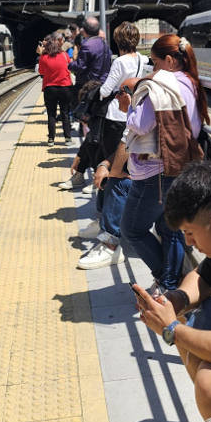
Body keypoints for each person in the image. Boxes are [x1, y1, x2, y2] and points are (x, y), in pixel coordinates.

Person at [136, 161, 211, 422]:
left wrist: (169, 329)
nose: (189, 242)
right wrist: (174, 300)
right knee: (188, 317)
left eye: (190, 233)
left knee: (207, 381)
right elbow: (203, 275)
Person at [117, 34, 210, 294]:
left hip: (155, 170)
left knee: (132, 229)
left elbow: (141, 124)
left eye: (155, 63)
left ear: (169, 61)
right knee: (170, 229)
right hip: (184, 163)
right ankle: (169, 284)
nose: (153, 69)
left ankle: (164, 278)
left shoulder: (162, 85)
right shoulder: (192, 82)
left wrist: (128, 108)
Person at [78, 22, 151, 269]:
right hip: (133, 118)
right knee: (125, 169)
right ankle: (110, 221)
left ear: (117, 41)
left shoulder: (119, 62)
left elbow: (106, 90)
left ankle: (104, 224)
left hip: (115, 118)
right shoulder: (142, 59)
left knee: (109, 167)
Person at [35, 32, 73, 147]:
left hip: (50, 88)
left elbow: (41, 72)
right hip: (65, 87)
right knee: (65, 113)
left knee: (51, 114)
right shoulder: (64, 55)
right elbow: (70, 66)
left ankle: (51, 139)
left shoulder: (43, 57)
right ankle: (68, 139)